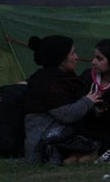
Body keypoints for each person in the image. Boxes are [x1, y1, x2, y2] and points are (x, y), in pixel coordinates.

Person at [24, 35, 102, 165]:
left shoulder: (64, 79)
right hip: (44, 144)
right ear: (60, 58)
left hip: (57, 136)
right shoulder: (47, 82)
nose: (76, 57)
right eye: (72, 54)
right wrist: (88, 100)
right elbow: (66, 114)